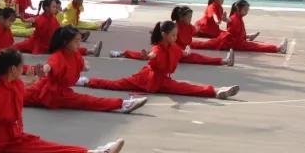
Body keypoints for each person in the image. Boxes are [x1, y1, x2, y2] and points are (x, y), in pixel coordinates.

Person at [87, 21, 240, 99]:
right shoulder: (158, 49)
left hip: (161, 79)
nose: (175, 37)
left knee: (186, 87)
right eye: (173, 35)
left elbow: (183, 53)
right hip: (149, 78)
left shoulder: (173, 47)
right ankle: (85, 81)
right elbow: (153, 56)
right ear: (164, 35)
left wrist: (186, 51)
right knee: (114, 84)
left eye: (176, 35)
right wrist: (148, 57)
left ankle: (216, 90)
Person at [24, 26, 144, 113]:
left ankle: (122, 104)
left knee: (17, 94)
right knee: (87, 100)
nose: (79, 44)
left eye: (79, 41)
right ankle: (122, 104)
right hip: (52, 93)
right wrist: (43, 70)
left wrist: (85, 66)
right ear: (65, 42)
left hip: (54, 90)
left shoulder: (75, 54)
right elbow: (49, 66)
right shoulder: (58, 56)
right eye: (76, 41)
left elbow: (83, 65)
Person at [112, 6, 233, 66]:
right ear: (181, 17)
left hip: (181, 53)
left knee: (200, 58)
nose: (191, 19)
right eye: (188, 17)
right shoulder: (174, 26)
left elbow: (195, 30)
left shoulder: (189, 26)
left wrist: (223, 21)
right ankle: (122, 53)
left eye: (191, 17)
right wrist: (182, 51)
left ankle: (225, 61)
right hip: (171, 51)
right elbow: (168, 39)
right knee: (149, 55)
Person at [191, 0, 287, 54]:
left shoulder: (239, 17)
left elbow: (237, 30)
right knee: (257, 46)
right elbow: (228, 20)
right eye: (245, 9)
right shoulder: (233, 17)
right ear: (238, 8)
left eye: (247, 9)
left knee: (257, 44)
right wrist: (224, 19)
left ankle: (277, 47)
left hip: (235, 41)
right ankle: (278, 48)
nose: (247, 11)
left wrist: (246, 36)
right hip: (231, 43)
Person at [15, 0, 100, 56]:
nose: (56, 8)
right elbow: (35, 30)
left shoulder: (53, 18)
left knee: (69, 47)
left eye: (56, 7)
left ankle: (91, 51)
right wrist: (25, 20)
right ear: (46, 8)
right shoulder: (40, 19)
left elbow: (58, 31)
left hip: (51, 43)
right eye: (54, 7)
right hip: (39, 44)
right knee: (14, 47)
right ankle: (91, 51)